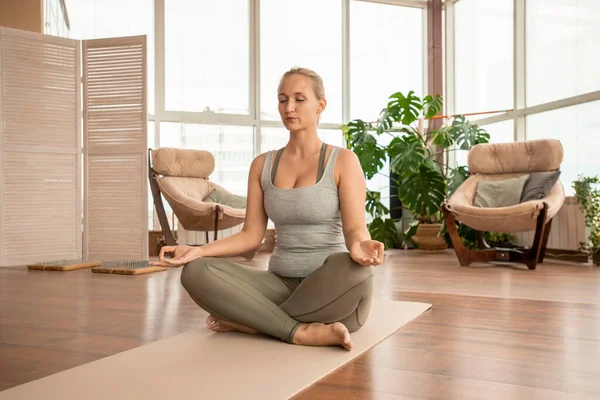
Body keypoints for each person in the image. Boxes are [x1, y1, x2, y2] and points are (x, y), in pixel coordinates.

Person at [150, 67, 384, 351]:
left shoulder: (343, 160)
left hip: (331, 291)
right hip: (278, 285)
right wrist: (197, 251)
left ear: (320, 105)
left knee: (351, 268)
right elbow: (251, 235)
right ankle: (298, 332)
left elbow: (354, 228)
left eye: (299, 99)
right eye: (283, 99)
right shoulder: (262, 165)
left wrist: (360, 246)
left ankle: (252, 322)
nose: (289, 108)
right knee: (196, 271)